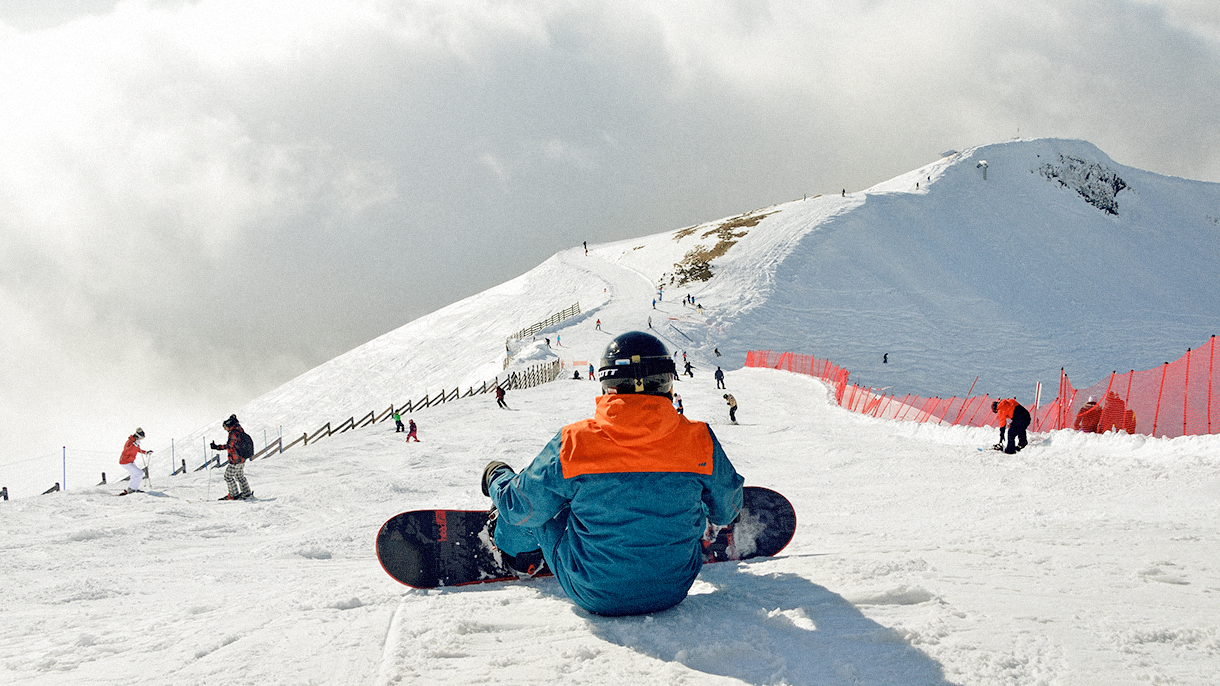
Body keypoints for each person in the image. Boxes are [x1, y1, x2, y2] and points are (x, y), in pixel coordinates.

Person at [480, 331, 743, 616]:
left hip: (595, 593)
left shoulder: (574, 442)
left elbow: (520, 509)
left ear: (608, 386)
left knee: (539, 504)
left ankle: (514, 551)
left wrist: (497, 477)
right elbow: (726, 513)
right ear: (668, 383)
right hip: (674, 589)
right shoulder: (699, 439)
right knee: (688, 495)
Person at [210, 414, 254, 500]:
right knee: (239, 476)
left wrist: (217, 447)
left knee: (228, 476)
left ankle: (233, 494)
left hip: (235, 460)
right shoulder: (240, 430)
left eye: (225, 427)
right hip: (242, 459)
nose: (225, 429)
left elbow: (229, 446)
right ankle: (247, 493)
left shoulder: (233, 433)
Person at [118, 428, 151, 495]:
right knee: (139, 473)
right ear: (138, 436)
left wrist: (146, 452)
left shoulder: (135, 442)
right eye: (141, 438)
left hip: (130, 461)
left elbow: (138, 450)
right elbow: (127, 450)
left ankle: (132, 488)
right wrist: (134, 445)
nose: (141, 439)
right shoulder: (130, 442)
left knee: (135, 474)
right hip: (125, 462)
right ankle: (132, 489)